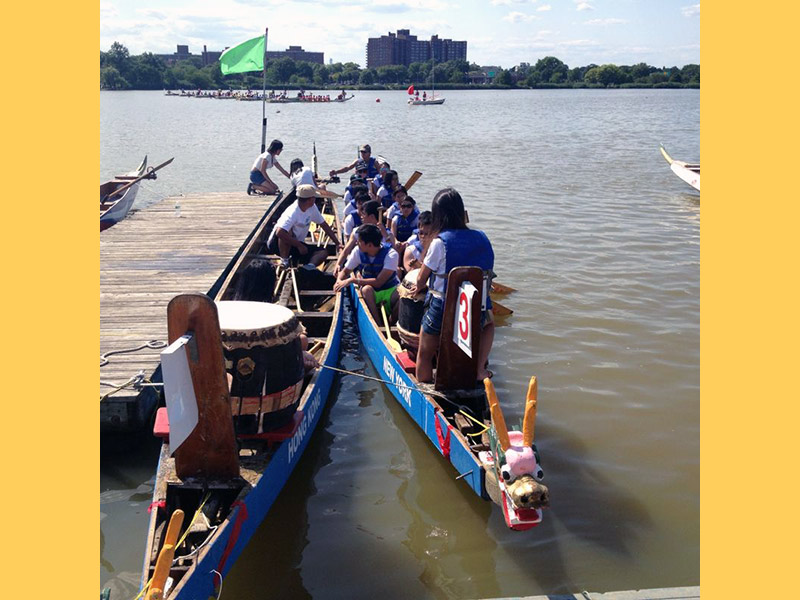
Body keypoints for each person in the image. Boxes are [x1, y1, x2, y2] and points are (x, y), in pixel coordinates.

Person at [411, 188, 495, 383]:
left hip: (444, 308)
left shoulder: (439, 243)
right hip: (475, 305)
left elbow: (421, 280)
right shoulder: (483, 237)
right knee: (489, 325)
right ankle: (480, 369)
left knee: (424, 351)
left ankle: (423, 381)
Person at [334, 223, 400, 323]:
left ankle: (392, 323)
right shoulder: (357, 251)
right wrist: (339, 281)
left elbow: (379, 282)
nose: (356, 243)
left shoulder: (391, 255)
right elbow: (346, 271)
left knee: (404, 297)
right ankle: (377, 324)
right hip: (371, 292)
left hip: (389, 289)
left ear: (369, 245)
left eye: (360, 241)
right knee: (366, 290)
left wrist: (352, 280)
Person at [267, 184, 341, 269]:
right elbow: (279, 233)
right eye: (315, 197)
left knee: (323, 252)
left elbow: (323, 225)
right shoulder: (292, 212)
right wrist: (300, 246)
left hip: (295, 244)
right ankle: (285, 260)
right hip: (275, 245)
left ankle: (308, 268)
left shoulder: (312, 207)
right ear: (311, 199)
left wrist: (337, 243)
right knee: (286, 231)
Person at [334, 200, 393, 274]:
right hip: (363, 266)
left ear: (371, 216)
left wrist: (385, 234)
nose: (361, 217)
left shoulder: (388, 233)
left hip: (382, 267)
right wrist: (338, 264)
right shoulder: (357, 231)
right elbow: (346, 250)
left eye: (364, 214)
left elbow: (393, 251)